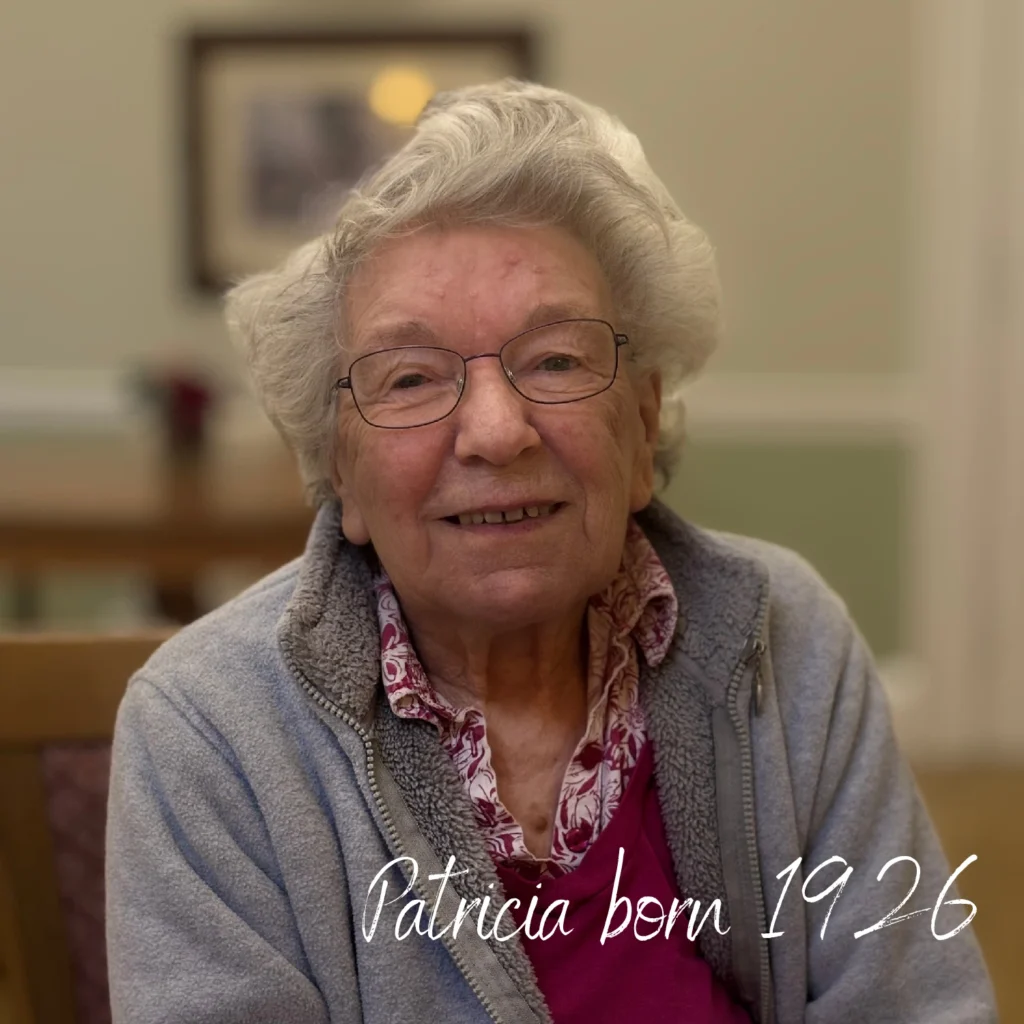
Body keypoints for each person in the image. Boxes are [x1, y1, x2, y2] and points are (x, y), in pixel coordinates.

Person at [105, 80, 996, 1023]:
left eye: (558, 360)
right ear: (344, 475)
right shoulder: (209, 731)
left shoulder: (789, 639)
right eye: (410, 377)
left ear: (643, 425)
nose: (497, 431)